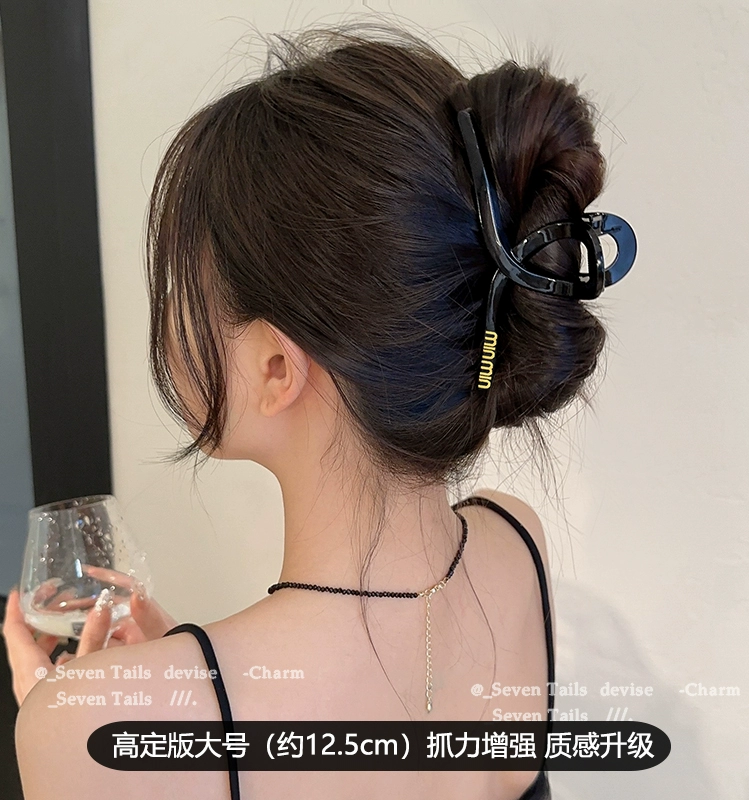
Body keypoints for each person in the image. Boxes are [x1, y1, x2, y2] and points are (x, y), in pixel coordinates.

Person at [3, 21, 636, 799]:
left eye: (181, 290)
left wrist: (80, 726)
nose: (166, 323)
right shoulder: (516, 542)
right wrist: (177, 680)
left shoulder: (85, 729)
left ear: (275, 368)